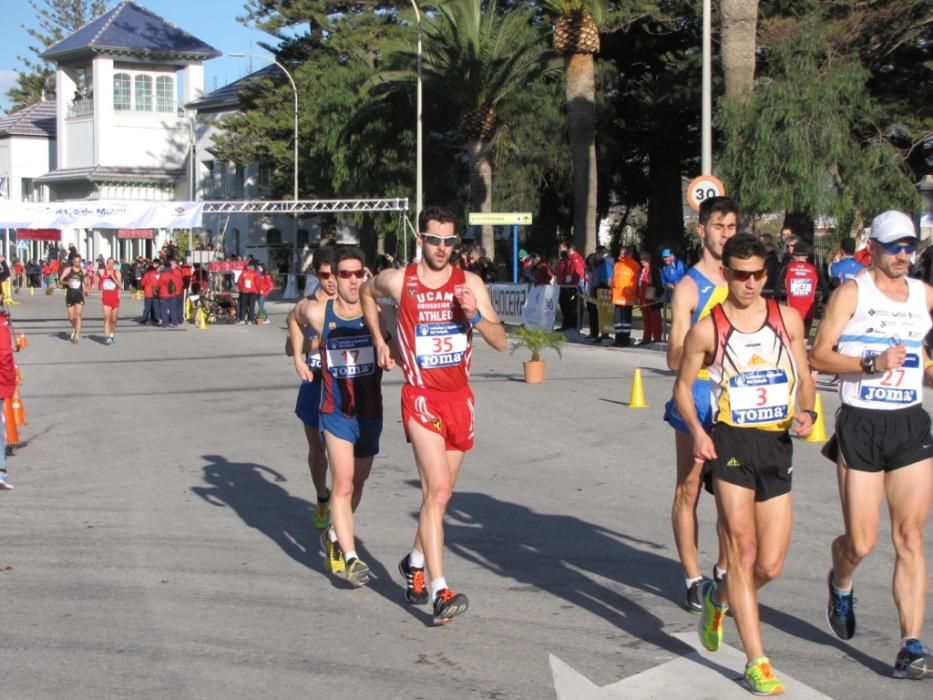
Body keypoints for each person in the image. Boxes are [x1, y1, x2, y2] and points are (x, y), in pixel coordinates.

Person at [675, 233, 816, 696]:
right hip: (732, 442)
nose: (750, 283)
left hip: (775, 445)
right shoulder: (708, 328)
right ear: (727, 275)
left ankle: (721, 597)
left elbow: (805, 375)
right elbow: (681, 388)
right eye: (741, 275)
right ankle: (757, 661)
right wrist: (698, 433)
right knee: (743, 551)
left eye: (758, 274)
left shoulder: (787, 319)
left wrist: (808, 410)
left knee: (770, 565)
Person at [360, 206, 508, 623]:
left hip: (460, 400)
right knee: (438, 491)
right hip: (421, 398)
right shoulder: (401, 281)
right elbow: (368, 293)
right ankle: (441, 590)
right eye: (434, 240)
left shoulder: (470, 283)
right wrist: (380, 339)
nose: (442, 249)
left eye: (449, 242)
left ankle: (414, 561)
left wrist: (474, 315)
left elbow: (501, 342)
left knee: (437, 499)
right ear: (420, 240)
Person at [810, 210, 933, 680]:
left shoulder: (923, 296)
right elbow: (818, 355)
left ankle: (911, 644)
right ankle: (841, 581)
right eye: (894, 247)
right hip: (861, 423)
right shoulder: (852, 292)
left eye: (909, 246)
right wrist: (870, 362)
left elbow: (923, 364)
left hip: (908, 425)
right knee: (861, 541)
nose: (904, 254)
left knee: (910, 537)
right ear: (874, 249)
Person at [665, 196, 738, 613]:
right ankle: (693, 576)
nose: (725, 234)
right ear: (701, 231)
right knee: (690, 488)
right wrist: (702, 352)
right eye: (718, 227)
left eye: (731, 227)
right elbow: (673, 356)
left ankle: (725, 568)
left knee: (733, 493)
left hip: (737, 399)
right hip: (697, 396)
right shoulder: (691, 287)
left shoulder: (744, 278)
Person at [297, 247, 383, 587]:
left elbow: (401, 343)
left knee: (357, 484)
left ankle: (333, 533)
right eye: (341, 274)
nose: (348, 280)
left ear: (365, 276)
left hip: (370, 412)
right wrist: (298, 359)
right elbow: (293, 316)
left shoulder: (378, 313)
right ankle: (351, 557)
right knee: (343, 483)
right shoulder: (321, 312)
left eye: (355, 274)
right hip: (335, 412)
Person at [287, 247, 338, 530]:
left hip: (343, 382)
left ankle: (341, 502)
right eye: (325, 274)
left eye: (335, 274)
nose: (331, 280)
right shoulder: (306, 306)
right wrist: (309, 345)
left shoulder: (350, 301)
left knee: (344, 450)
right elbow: (288, 346)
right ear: (316, 274)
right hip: (315, 380)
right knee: (317, 449)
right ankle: (322, 496)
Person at [782, 241, 820, 341]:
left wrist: (780, 300)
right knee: (805, 339)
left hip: (791, 311)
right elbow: (824, 287)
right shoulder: (813, 269)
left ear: (793, 255)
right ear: (806, 256)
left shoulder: (788, 268)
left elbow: (777, 288)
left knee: (791, 338)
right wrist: (823, 300)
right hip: (809, 312)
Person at [610, 246, 640, 347]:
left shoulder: (634, 265)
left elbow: (636, 282)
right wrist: (611, 292)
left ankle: (625, 339)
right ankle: (618, 338)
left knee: (626, 320)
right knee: (618, 320)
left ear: (628, 253)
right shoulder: (617, 265)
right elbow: (613, 280)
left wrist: (634, 294)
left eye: (624, 252)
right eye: (620, 252)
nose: (622, 254)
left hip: (628, 297)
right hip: (617, 296)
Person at [556, 240, 585, 332]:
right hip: (564, 286)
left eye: (566, 248)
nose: (564, 251)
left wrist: (573, 285)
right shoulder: (566, 259)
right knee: (565, 307)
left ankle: (574, 326)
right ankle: (566, 325)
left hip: (573, 287)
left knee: (573, 307)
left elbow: (578, 273)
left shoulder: (576, 259)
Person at [637, 250, 662, 345]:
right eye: (641, 259)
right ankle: (646, 338)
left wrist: (657, 295)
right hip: (643, 298)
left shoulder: (654, 269)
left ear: (648, 259)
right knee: (646, 320)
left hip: (652, 297)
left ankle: (657, 338)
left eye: (644, 259)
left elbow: (659, 283)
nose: (642, 261)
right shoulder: (640, 270)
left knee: (655, 319)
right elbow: (638, 284)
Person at [60, 255, 88, 343]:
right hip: (69, 295)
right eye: (75, 261)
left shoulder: (83, 271)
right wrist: (67, 282)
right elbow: (60, 280)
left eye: (79, 261)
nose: (77, 263)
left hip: (79, 295)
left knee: (78, 315)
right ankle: (76, 329)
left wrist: (87, 289)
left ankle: (77, 335)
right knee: (71, 317)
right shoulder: (68, 270)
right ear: (73, 262)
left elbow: (86, 281)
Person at [99, 257, 122, 344]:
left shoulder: (117, 273)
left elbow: (120, 286)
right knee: (106, 318)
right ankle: (107, 337)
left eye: (112, 264)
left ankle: (112, 335)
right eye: (109, 263)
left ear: (114, 264)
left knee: (114, 320)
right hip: (106, 299)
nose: (110, 265)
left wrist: (113, 278)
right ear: (106, 264)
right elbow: (96, 274)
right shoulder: (102, 272)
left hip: (115, 299)